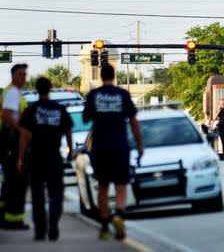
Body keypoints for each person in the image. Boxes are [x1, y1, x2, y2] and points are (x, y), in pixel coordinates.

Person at [83, 64, 143, 240]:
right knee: (121, 185)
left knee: (102, 186)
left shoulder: (93, 95)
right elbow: (134, 121)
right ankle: (119, 214)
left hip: (100, 146)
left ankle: (104, 226)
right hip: (120, 146)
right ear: (114, 75)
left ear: (101, 77)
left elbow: (85, 119)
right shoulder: (123, 94)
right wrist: (140, 145)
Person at [17, 77, 73, 241]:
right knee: (56, 192)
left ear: (36, 89)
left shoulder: (32, 110)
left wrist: (20, 158)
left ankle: (40, 229)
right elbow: (68, 131)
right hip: (53, 156)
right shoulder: (59, 109)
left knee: (37, 194)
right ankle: (54, 219)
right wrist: (71, 151)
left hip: (35, 156)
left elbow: (24, 135)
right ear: (50, 89)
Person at [0, 64, 29, 230]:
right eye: (20, 74)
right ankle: (14, 220)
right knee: (17, 182)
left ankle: (5, 217)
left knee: (10, 182)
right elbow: (6, 115)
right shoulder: (12, 93)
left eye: (25, 74)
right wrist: (21, 129)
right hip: (12, 141)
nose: (23, 78)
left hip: (8, 141)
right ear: (13, 76)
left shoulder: (12, 92)